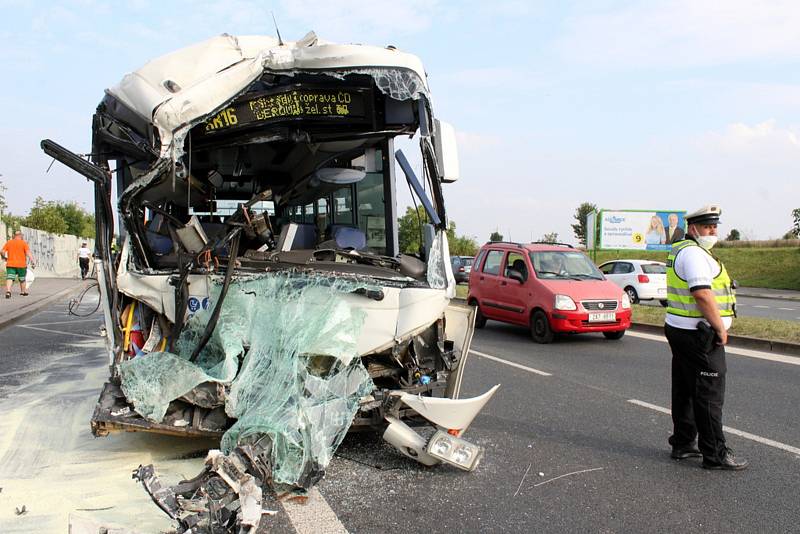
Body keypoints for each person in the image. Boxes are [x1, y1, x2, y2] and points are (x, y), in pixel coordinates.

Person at [664, 204, 747, 470]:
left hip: (681, 330)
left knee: (687, 388)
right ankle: (715, 454)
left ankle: (683, 443)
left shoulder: (684, 250)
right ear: (693, 229)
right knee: (709, 393)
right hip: (700, 335)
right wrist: (720, 329)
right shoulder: (695, 255)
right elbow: (701, 293)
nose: (712, 231)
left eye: (714, 227)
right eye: (707, 227)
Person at [2, 230, 36, 299]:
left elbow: (2, 251)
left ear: (14, 235)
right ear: (20, 235)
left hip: (10, 264)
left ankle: (8, 291)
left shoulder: (9, 242)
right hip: (21, 265)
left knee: (10, 277)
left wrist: (4, 257)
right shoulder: (23, 243)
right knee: (22, 279)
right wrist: (33, 262)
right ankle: (23, 292)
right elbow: (28, 253)